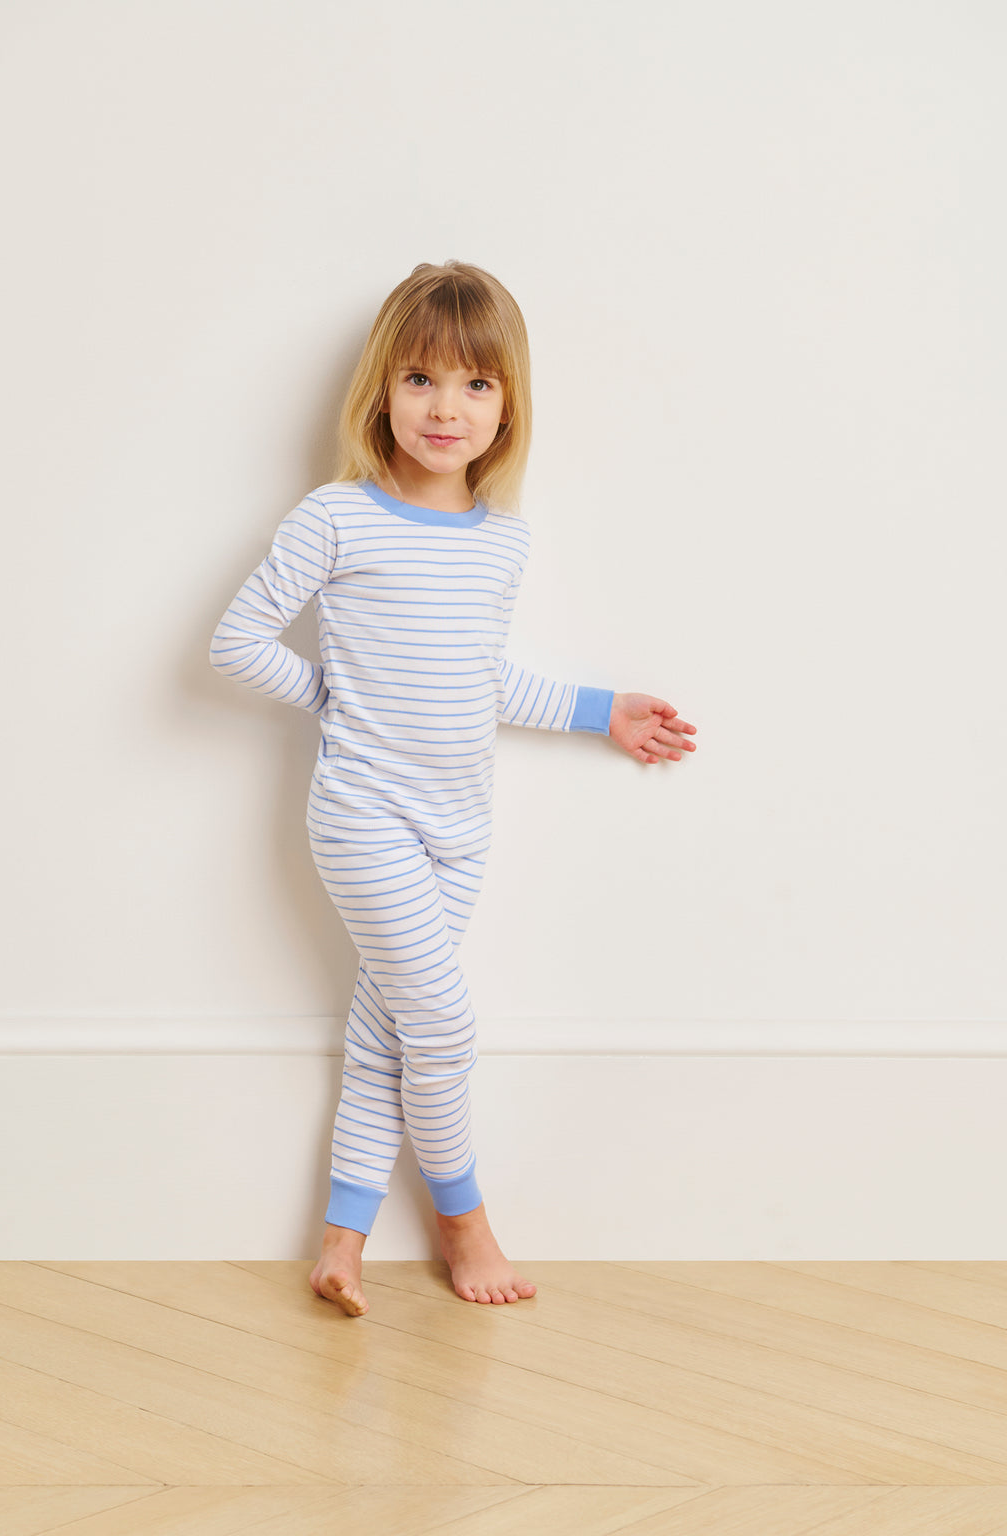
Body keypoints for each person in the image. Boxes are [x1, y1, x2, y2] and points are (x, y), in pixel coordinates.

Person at [209, 260, 697, 1316]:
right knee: (442, 1028)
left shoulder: (500, 541)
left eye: (476, 385)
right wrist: (336, 698)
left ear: (506, 405)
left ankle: (341, 1240)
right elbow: (235, 640)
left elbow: (482, 678)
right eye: (422, 378)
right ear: (381, 390)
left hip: (461, 828)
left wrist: (597, 707)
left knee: (389, 1025)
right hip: (365, 816)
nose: (445, 407)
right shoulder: (336, 519)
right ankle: (461, 1217)